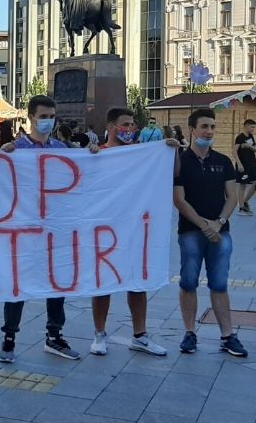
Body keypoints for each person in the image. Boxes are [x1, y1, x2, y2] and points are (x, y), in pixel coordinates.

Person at [0, 95, 89, 362]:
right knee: (19, 282)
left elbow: (83, 174)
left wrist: (91, 156)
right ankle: (9, 337)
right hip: (24, 230)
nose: (47, 121)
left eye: (51, 116)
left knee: (56, 282)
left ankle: (54, 335)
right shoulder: (16, 150)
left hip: (55, 227)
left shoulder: (62, 149)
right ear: (31, 117)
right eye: (43, 116)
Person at [89, 107, 173, 357]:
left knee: (138, 281)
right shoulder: (97, 154)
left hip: (135, 228)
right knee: (102, 283)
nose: (130, 129)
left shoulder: (141, 153)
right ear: (112, 127)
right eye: (125, 125)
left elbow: (172, 173)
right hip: (105, 228)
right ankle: (99, 335)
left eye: (132, 125)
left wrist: (169, 150)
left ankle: (140, 335)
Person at [173, 109, 247, 357]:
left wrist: (219, 222)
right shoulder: (181, 162)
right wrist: (204, 225)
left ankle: (227, 335)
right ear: (192, 130)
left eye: (213, 127)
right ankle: (189, 332)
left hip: (220, 231)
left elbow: (233, 196)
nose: (209, 131)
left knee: (219, 284)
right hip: (191, 232)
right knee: (188, 281)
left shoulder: (223, 161)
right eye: (204, 126)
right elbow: (179, 200)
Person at [233, 119, 256, 216]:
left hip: (252, 163)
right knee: (242, 185)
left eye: (254, 127)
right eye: (252, 127)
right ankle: (241, 208)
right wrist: (239, 164)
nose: (253, 129)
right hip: (243, 164)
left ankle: (245, 201)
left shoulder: (251, 136)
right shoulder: (240, 137)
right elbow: (234, 151)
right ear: (246, 126)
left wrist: (250, 147)